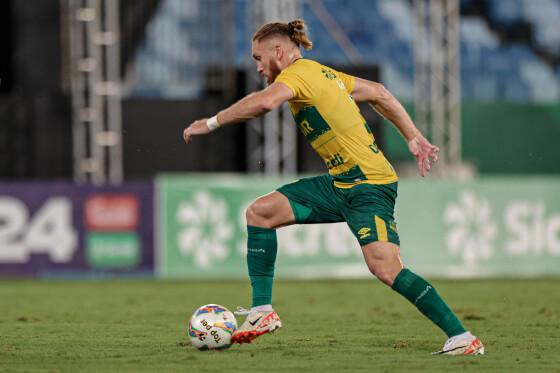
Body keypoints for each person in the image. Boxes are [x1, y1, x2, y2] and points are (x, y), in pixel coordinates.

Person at [183, 19, 484, 356]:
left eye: (258, 57)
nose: (257, 66)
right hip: (340, 183)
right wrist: (412, 136)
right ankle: (261, 312)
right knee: (260, 212)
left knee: (385, 267)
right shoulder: (326, 75)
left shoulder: (297, 75)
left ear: (278, 51)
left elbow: (266, 103)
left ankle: (462, 337)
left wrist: (212, 122)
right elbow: (380, 93)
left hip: (368, 184)